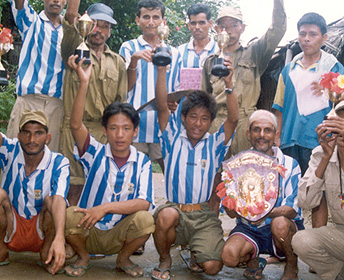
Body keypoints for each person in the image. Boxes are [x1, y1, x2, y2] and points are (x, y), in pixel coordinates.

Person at [63, 55, 155, 277]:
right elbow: (75, 124)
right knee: (68, 215)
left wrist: (104, 208)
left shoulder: (142, 161)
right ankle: (83, 256)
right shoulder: (94, 152)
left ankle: (123, 259)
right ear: (104, 131)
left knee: (146, 220)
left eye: (126, 128)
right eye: (113, 128)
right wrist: (84, 82)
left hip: (119, 234)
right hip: (88, 231)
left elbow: (144, 202)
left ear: (135, 131)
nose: (119, 135)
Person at [151, 57, 238, 280]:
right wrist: (162, 69)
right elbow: (162, 107)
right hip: (176, 211)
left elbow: (233, 120)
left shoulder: (215, 144)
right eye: (193, 117)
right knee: (165, 217)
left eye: (204, 119)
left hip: (204, 216)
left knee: (212, 267)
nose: (198, 123)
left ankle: (193, 252)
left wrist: (229, 85)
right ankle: (165, 259)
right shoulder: (172, 139)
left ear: (210, 122)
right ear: (183, 118)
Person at [60, 0, 127, 205]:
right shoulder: (75, 48)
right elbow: (70, 16)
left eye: (105, 25)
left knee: (104, 188)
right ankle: (67, 239)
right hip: (73, 129)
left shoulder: (118, 62)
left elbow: (121, 104)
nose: (98, 29)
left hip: (103, 131)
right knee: (73, 189)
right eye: (94, 24)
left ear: (110, 30)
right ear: (87, 25)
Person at [201, 0, 286, 155]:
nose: (228, 30)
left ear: (242, 28)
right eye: (223, 26)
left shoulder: (255, 53)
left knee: (247, 176)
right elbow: (204, 100)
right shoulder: (210, 62)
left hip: (247, 125)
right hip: (218, 124)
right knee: (216, 176)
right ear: (216, 29)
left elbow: (277, 30)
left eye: (233, 25)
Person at [221, 110, 303, 280]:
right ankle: (254, 260)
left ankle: (291, 264)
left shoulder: (290, 164)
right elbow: (229, 211)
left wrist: (263, 213)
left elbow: (292, 210)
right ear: (248, 134)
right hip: (249, 228)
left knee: (280, 224)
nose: (262, 135)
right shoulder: (237, 163)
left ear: (276, 134)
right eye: (256, 130)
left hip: (280, 230)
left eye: (268, 130)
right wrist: (233, 205)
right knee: (228, 256)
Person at [7, 0, 70, 152]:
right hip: (28, 101)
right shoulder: (31, 21)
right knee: (14, 157)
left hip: (56, 104)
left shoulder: (70, 32)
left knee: (49, 161)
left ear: (66, 0)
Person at [273, 12, 344, 176]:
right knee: (291, 189)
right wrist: (277, 137)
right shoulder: (288, 70)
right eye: (302, 34)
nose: (306, 38)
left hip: (321, 142)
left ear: (324, 38)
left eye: (313, 34)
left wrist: (328, 87)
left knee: (316, 192)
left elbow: (341, 103)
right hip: (288, 141)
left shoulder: (334, 68)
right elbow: (278, 109)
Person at [0, 110, 70, 274]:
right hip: (12, 224)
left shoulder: (59, 162)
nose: (32, 140)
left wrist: (60, 237)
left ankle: (46, 250)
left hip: (41, 227)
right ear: (18, 135)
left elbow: (59, 198)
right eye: (27, 133)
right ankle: (1, 249)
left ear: (48, 137)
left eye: (38, 133)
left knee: (52, 201)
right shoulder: (9, 150)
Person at [119, 0, 181, 172]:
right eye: (146, 17)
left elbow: (177, 90)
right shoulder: (128, 47)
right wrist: (134, 61)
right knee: (132, 171)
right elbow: (126, 88)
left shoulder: (174, 53)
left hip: (162, 123)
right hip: (136, 122)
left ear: (163, 21)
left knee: (170, 170)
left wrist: (175, 103)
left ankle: (176, 200)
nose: (151, 22)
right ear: (138, 20)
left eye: (156, 17)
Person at [292, 101, 344, 280]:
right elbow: (305, 202)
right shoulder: (321, 153)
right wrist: (326, 157)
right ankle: (337, 273)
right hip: (340, 234)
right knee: (301, 240)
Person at [177, 3, 217, 68]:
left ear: (210, 24)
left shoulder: (219, 50)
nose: (197, 27)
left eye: (201, 23)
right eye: (193, 23)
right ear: (189, 25)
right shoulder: (179, 52)